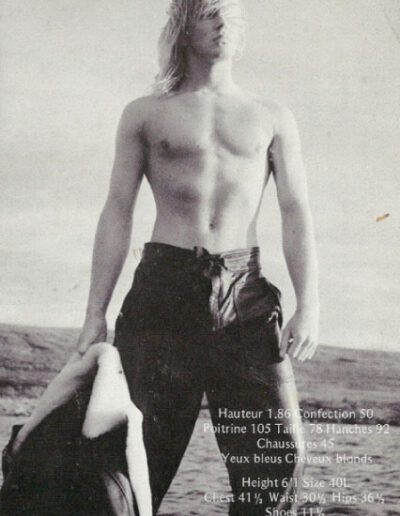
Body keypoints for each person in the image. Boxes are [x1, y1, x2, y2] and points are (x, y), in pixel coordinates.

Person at [75, 0, 319, 514]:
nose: (223, 23)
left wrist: (309, 304)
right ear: (184, 25)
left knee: (276, 459)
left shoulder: (271, 117)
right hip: (162, 291)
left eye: (231, 14)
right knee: (133, 463)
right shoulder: (145, 113)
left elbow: (295, 211)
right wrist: (94, 312)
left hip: (245, 296)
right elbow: (117, 210)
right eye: (209, 12)